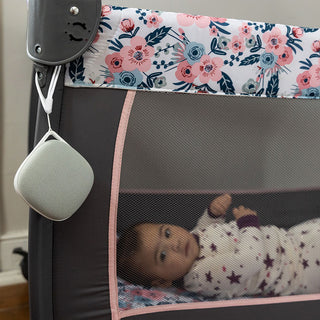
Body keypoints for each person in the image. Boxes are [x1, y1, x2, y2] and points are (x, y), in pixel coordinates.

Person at [117, 194, 320, 299]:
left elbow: (204, 230)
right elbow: (250, 260)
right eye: (162, 255)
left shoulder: (192, 241)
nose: (175, 244)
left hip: (291, 238)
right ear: (162, 282)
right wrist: (248, 224)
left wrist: (213, 215)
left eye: (167, 233)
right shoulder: (200, 275)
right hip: (298, 270)